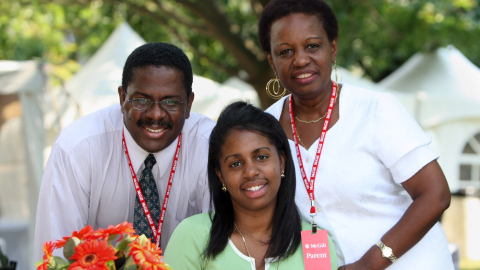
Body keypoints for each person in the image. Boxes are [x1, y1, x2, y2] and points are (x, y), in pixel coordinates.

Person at [259, 0, 454, 269]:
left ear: (333, 48)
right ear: (272, 60)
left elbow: (436, 195)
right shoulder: (263, 129)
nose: (301, 59)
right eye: (285, 51)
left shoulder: (376, 111)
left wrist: (369, 263)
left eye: (313, 46)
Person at [34, 42, 215, 260]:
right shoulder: (78, 148)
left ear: (189, 104)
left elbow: (224, 248)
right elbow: (58, 255)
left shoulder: (210, 147)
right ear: (122, 99)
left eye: (170, 102)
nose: (156, 115)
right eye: (141, 100)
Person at [163, 101, 338, 269]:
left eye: (261, 157)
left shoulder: (315, 243)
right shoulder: (192, 235)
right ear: (220, 175)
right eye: (235, 164)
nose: (250, 172)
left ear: (282, 162)